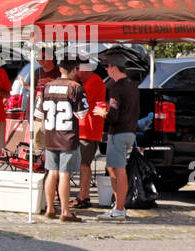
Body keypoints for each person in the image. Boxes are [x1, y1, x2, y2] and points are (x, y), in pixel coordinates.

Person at [36, 58, 89, 222]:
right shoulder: (76, 87)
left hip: (51, 135)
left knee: (51, 172)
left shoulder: (47, 87)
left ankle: (50, 208)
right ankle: (65, 211)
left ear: (60, 69)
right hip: (68, 137)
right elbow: (82, 114)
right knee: (65, 174)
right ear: (74, 69)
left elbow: (38, 115)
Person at [97, 55, 140, 220]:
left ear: (115, 68)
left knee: (117, 171)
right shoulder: (133, 85)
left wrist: (103, 113)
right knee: (113, 169)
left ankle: (120, 209)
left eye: (107, 67)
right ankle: (118, 206)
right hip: (130, 131)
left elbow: (114, 116)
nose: (106, 70)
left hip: (119, 132)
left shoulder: (117, 88)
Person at [73, 60, 108, 210]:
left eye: (78, 69)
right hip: (86, 129)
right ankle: (84, 195)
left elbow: (80, 101)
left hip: (88, 130)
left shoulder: (93, 82)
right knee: (83, 164)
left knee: (84, 164)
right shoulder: (91, 81)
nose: (77, 73)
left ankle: (83, 196)